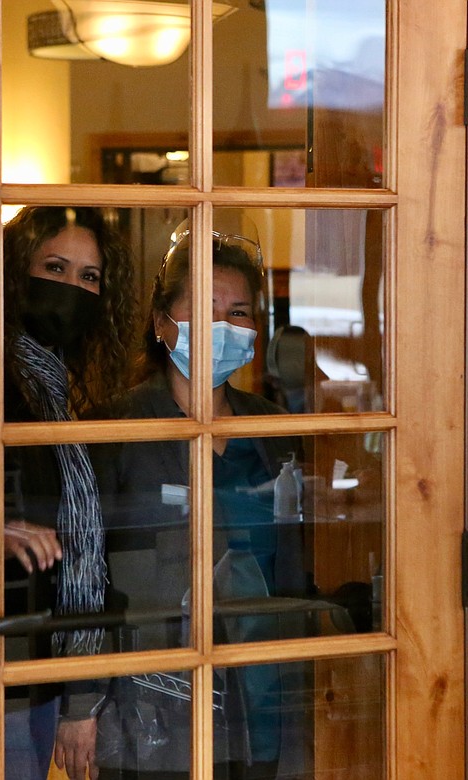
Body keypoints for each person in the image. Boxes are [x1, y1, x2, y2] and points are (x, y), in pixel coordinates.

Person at [80, 225, 321, 780]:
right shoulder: (117, 428)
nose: (223, 325)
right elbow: (86, 571)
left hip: (261, 690)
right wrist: (81, 703)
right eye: (206, 307)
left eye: (238, 313)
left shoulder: (274, 428)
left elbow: (295, 560)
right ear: (162, 321)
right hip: (152, 697)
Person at [1, 206, 138, 780]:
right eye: (54, 267)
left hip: (38, 660)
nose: (70, 289)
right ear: (14, 271)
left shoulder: (53, 389)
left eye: (88, 277)